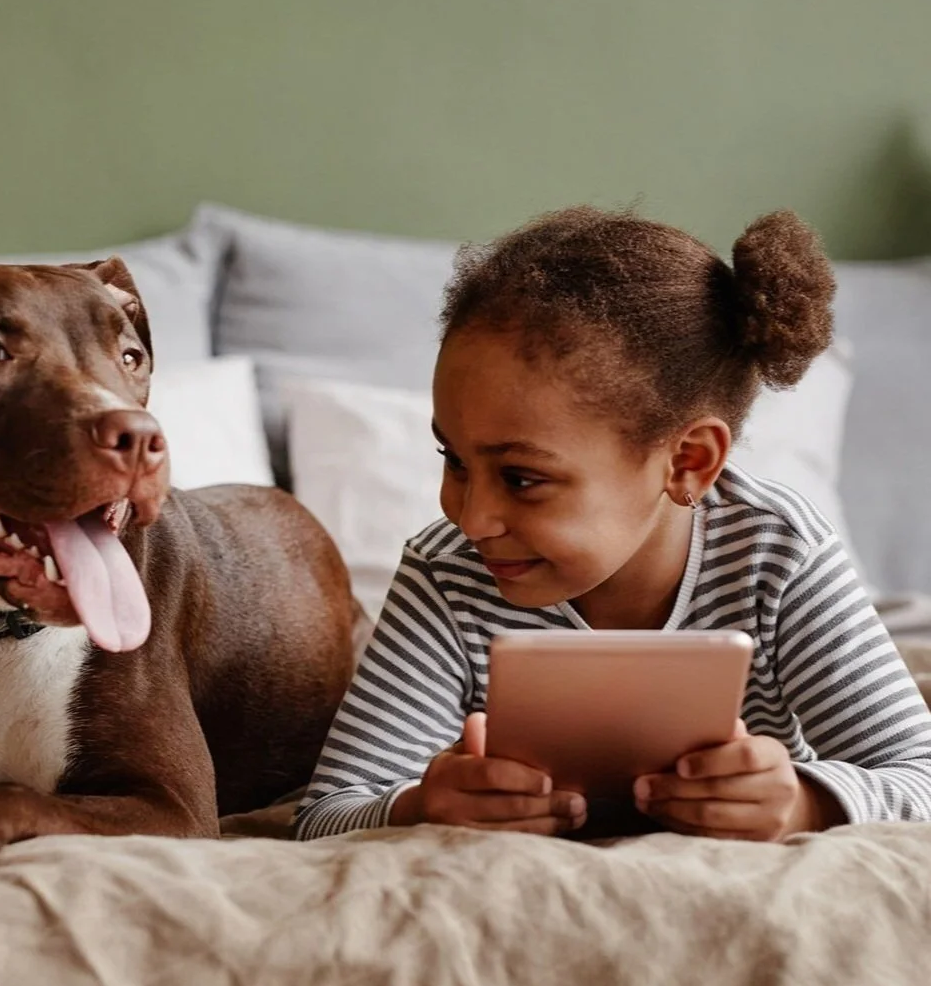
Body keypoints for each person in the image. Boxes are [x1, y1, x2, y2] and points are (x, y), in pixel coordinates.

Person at [295, 206, 931, 842]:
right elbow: (325, 815)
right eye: (453, 460)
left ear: (688, 461)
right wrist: (418, 806)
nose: (471, 518)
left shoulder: (777, 553)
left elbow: (918, 777)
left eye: (521, 479)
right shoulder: (444, 576)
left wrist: (804, 804)